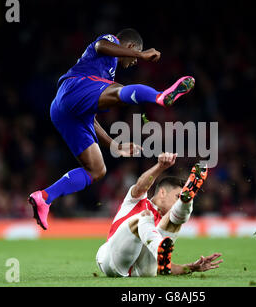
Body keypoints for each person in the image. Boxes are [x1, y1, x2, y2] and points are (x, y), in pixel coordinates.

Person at [28, 28, 195, 230]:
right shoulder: (110, 42)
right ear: (131, 46)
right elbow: (101, 45)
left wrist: (113, 145)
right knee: (119, 91)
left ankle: (45, 197)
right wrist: (141, 55)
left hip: (64, 111)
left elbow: (90, 120)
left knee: (97, 169)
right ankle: (159, 96)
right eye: (135, 55)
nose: (134, 62)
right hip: (72, 88)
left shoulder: (103, 73)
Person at [96, 152, 223, 277]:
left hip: (142, 271)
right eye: (177, 197)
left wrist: (192, 267)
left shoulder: (165, 224)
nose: (176, 202)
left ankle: (187, 201)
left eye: (180, 198)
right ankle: (184, 204)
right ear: (162, 193)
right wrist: (160, 167)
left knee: (174, 221)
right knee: (145, 217)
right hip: (112, 259)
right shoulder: (136, 201)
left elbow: (164, 268)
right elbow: (141, 186)